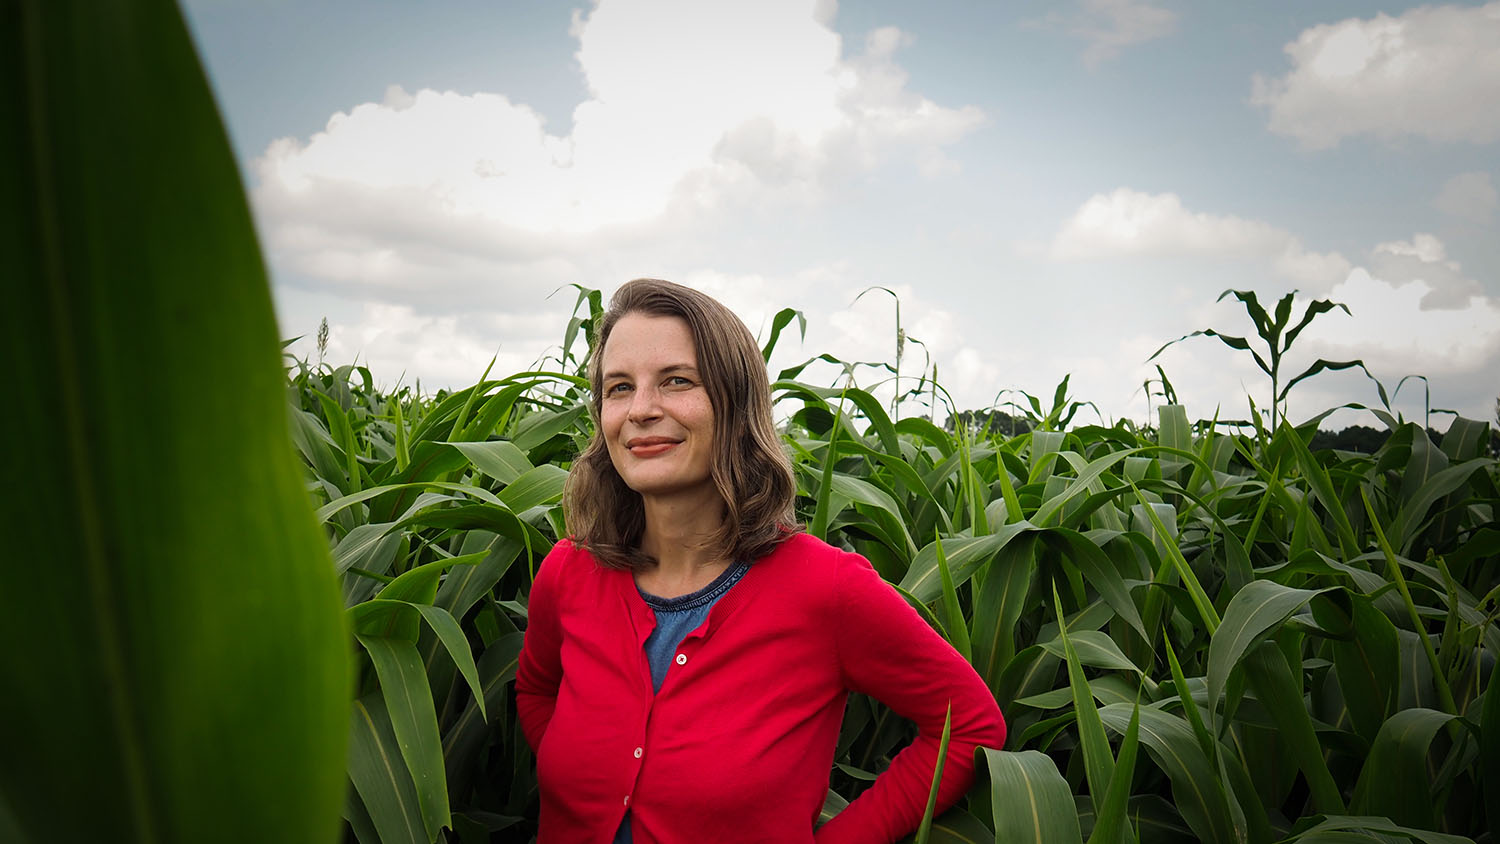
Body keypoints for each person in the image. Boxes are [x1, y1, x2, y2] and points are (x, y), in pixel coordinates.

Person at [515, 278, 1006, 844]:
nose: (641, 410)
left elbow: (967, 726)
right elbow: (536, 690)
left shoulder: (826, 589)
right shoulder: (569, 572)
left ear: (736, 402)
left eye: (676, 381)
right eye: (619, 388)